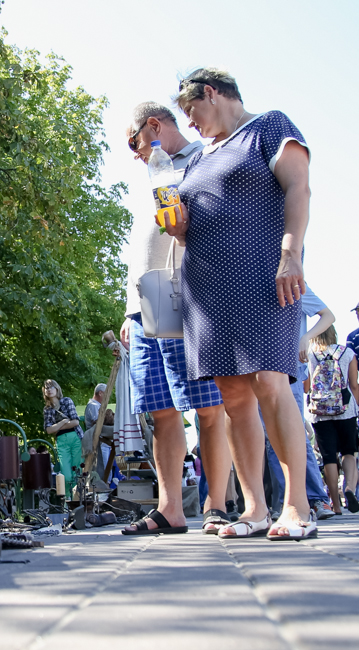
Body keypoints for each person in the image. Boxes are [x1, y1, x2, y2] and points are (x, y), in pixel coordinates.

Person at [166, 68, 314, 540]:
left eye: (191, 111)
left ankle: (297, 507)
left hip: (264, 276)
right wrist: (178, 226)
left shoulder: (269, 126)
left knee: (270, 381)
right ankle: (254, 510)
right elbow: (190, 228)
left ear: (211, 93)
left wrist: (291, 254)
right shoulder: (197, 158)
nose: (190, 124)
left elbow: (298, 187)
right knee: (232, 396)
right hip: (207, 289)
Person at [119, 102, 230, 536]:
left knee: (207, 406)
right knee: (159, 409)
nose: (135, 154)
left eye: (135, 143)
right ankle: (170, 511)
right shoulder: (152, 171)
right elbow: (143, 248)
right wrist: (128, 310)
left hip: (187, 295)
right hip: (145, 302)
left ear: (153, 125)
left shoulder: (203, 158)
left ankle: (216, 505)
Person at [263, 286, 336, 519]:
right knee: (271, 437)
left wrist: (306, 337)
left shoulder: (293, 284)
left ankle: (317, 499)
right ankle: (288, 502)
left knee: (294, 433)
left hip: (290, 368)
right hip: (260, 369)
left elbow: (328, 316)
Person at [305, 325, 359, 514]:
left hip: (320, 413)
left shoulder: (310, 354)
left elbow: (306, 387)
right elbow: (354, 385)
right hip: (346, 410)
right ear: (333, 334)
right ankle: (349, 488)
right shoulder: (347, 353)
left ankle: (335, 505)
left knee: (329, 458)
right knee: (349, 452)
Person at [42, 379, 83, 499]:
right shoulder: (47, 409)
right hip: (61, 441)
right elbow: (48, 430)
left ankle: (78, 499)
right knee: (66, 474)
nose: (49, 390)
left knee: (77, 471)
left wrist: (57, 427)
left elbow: (75, 422)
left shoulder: (67, 401)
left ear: (57, 389)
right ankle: (67, 500)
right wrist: (64, 421)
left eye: (51, 387)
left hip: (75, 437)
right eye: (47, 388)